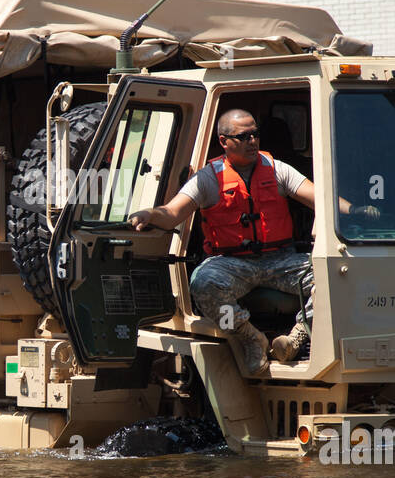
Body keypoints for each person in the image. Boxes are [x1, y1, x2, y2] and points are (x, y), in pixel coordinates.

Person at [128, 109, 378, 375]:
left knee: (337, 275)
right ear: (224, 141)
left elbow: (321, 198)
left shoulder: (277, 169)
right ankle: (251, 338)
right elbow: (172, 213)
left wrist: (355, 211)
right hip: (232, 262)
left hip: (281, 259)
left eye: (255, 134)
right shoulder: (208, 178)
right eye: (243, 136)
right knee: (203, 283)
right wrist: (150, 214)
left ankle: (298, 335)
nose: (252, 141)